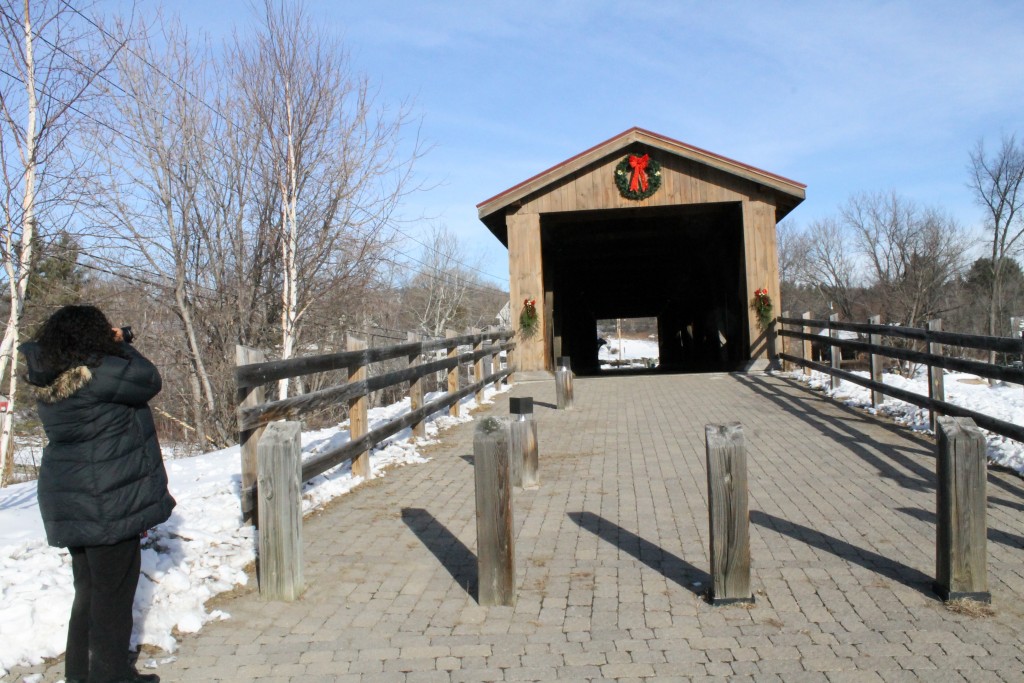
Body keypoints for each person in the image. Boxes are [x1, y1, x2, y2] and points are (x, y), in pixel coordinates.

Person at [19, 305, 176, 683]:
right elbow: (148, 379)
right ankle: (109, 676)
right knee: (111, 599)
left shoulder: (54, 374)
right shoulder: (102, 372)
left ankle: (88, 675)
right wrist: (122, 343)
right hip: (107, 499)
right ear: (93, 335)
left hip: (73, 496)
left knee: (89, 595)